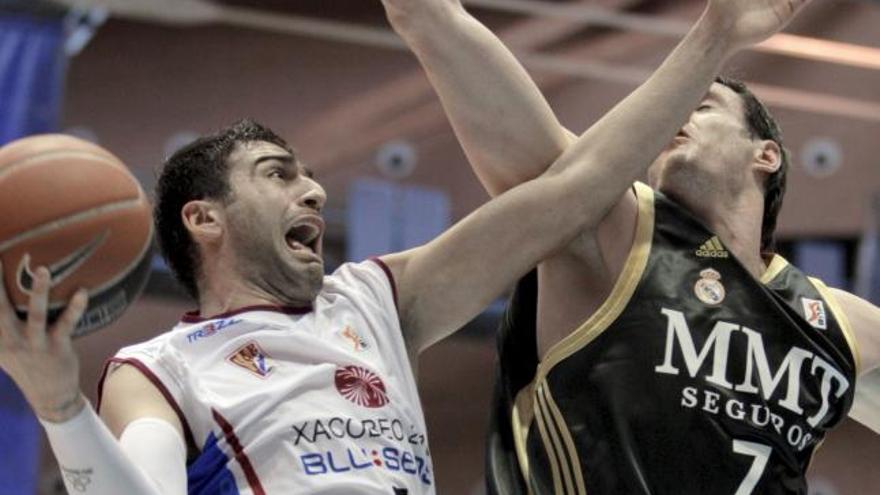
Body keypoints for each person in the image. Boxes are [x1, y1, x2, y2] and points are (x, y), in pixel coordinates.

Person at [0, 77, 737, 493]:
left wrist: (713, 35)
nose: (316, 191)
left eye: (311, 175)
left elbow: (573, 192)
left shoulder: (371, 298)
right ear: (204, 217)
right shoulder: (158, 369)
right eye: (280, 174)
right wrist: (60, 404)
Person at [383, 0, 880, 493]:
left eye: (702, 107)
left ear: (766, 154)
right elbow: (440, 31)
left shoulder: (837, 322)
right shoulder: (609, 225)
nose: (675, 119)